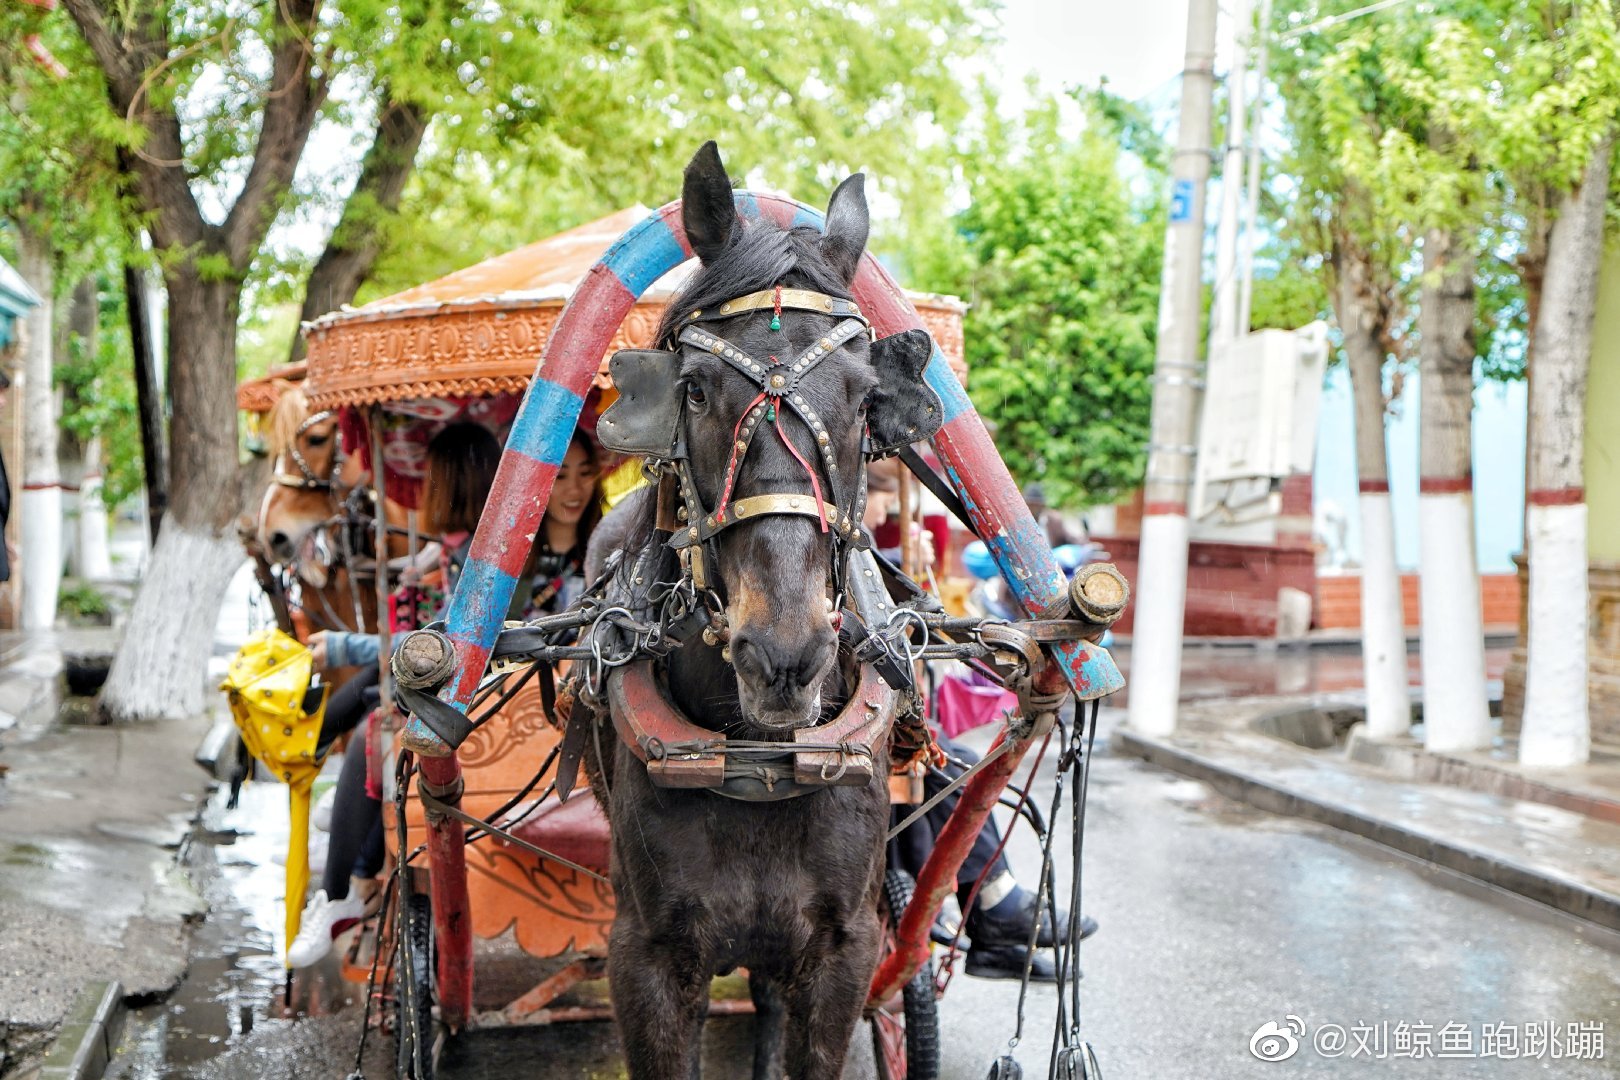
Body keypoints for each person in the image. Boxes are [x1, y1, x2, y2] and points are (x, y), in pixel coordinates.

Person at [286, 425, 604, 968]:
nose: (572, 490)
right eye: (559, 476)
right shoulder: (499, 560)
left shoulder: (610, 552)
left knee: (372, 715)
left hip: (581, 709)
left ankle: (318, 779)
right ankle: (340, 882)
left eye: (584, 474)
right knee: (376, 723)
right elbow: (459, 642)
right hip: (492, 701)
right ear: (538, 484)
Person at [867, 468, 1097, 981]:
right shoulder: (837, 546)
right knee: (950, 764)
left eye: (884, 498)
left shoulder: (862, 553)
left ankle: (986, 921)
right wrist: (903, 564)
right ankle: (991, 910)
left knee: (945, 760)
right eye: (879, 499)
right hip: (848, 710)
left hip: (876, 703)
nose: (883, 512)